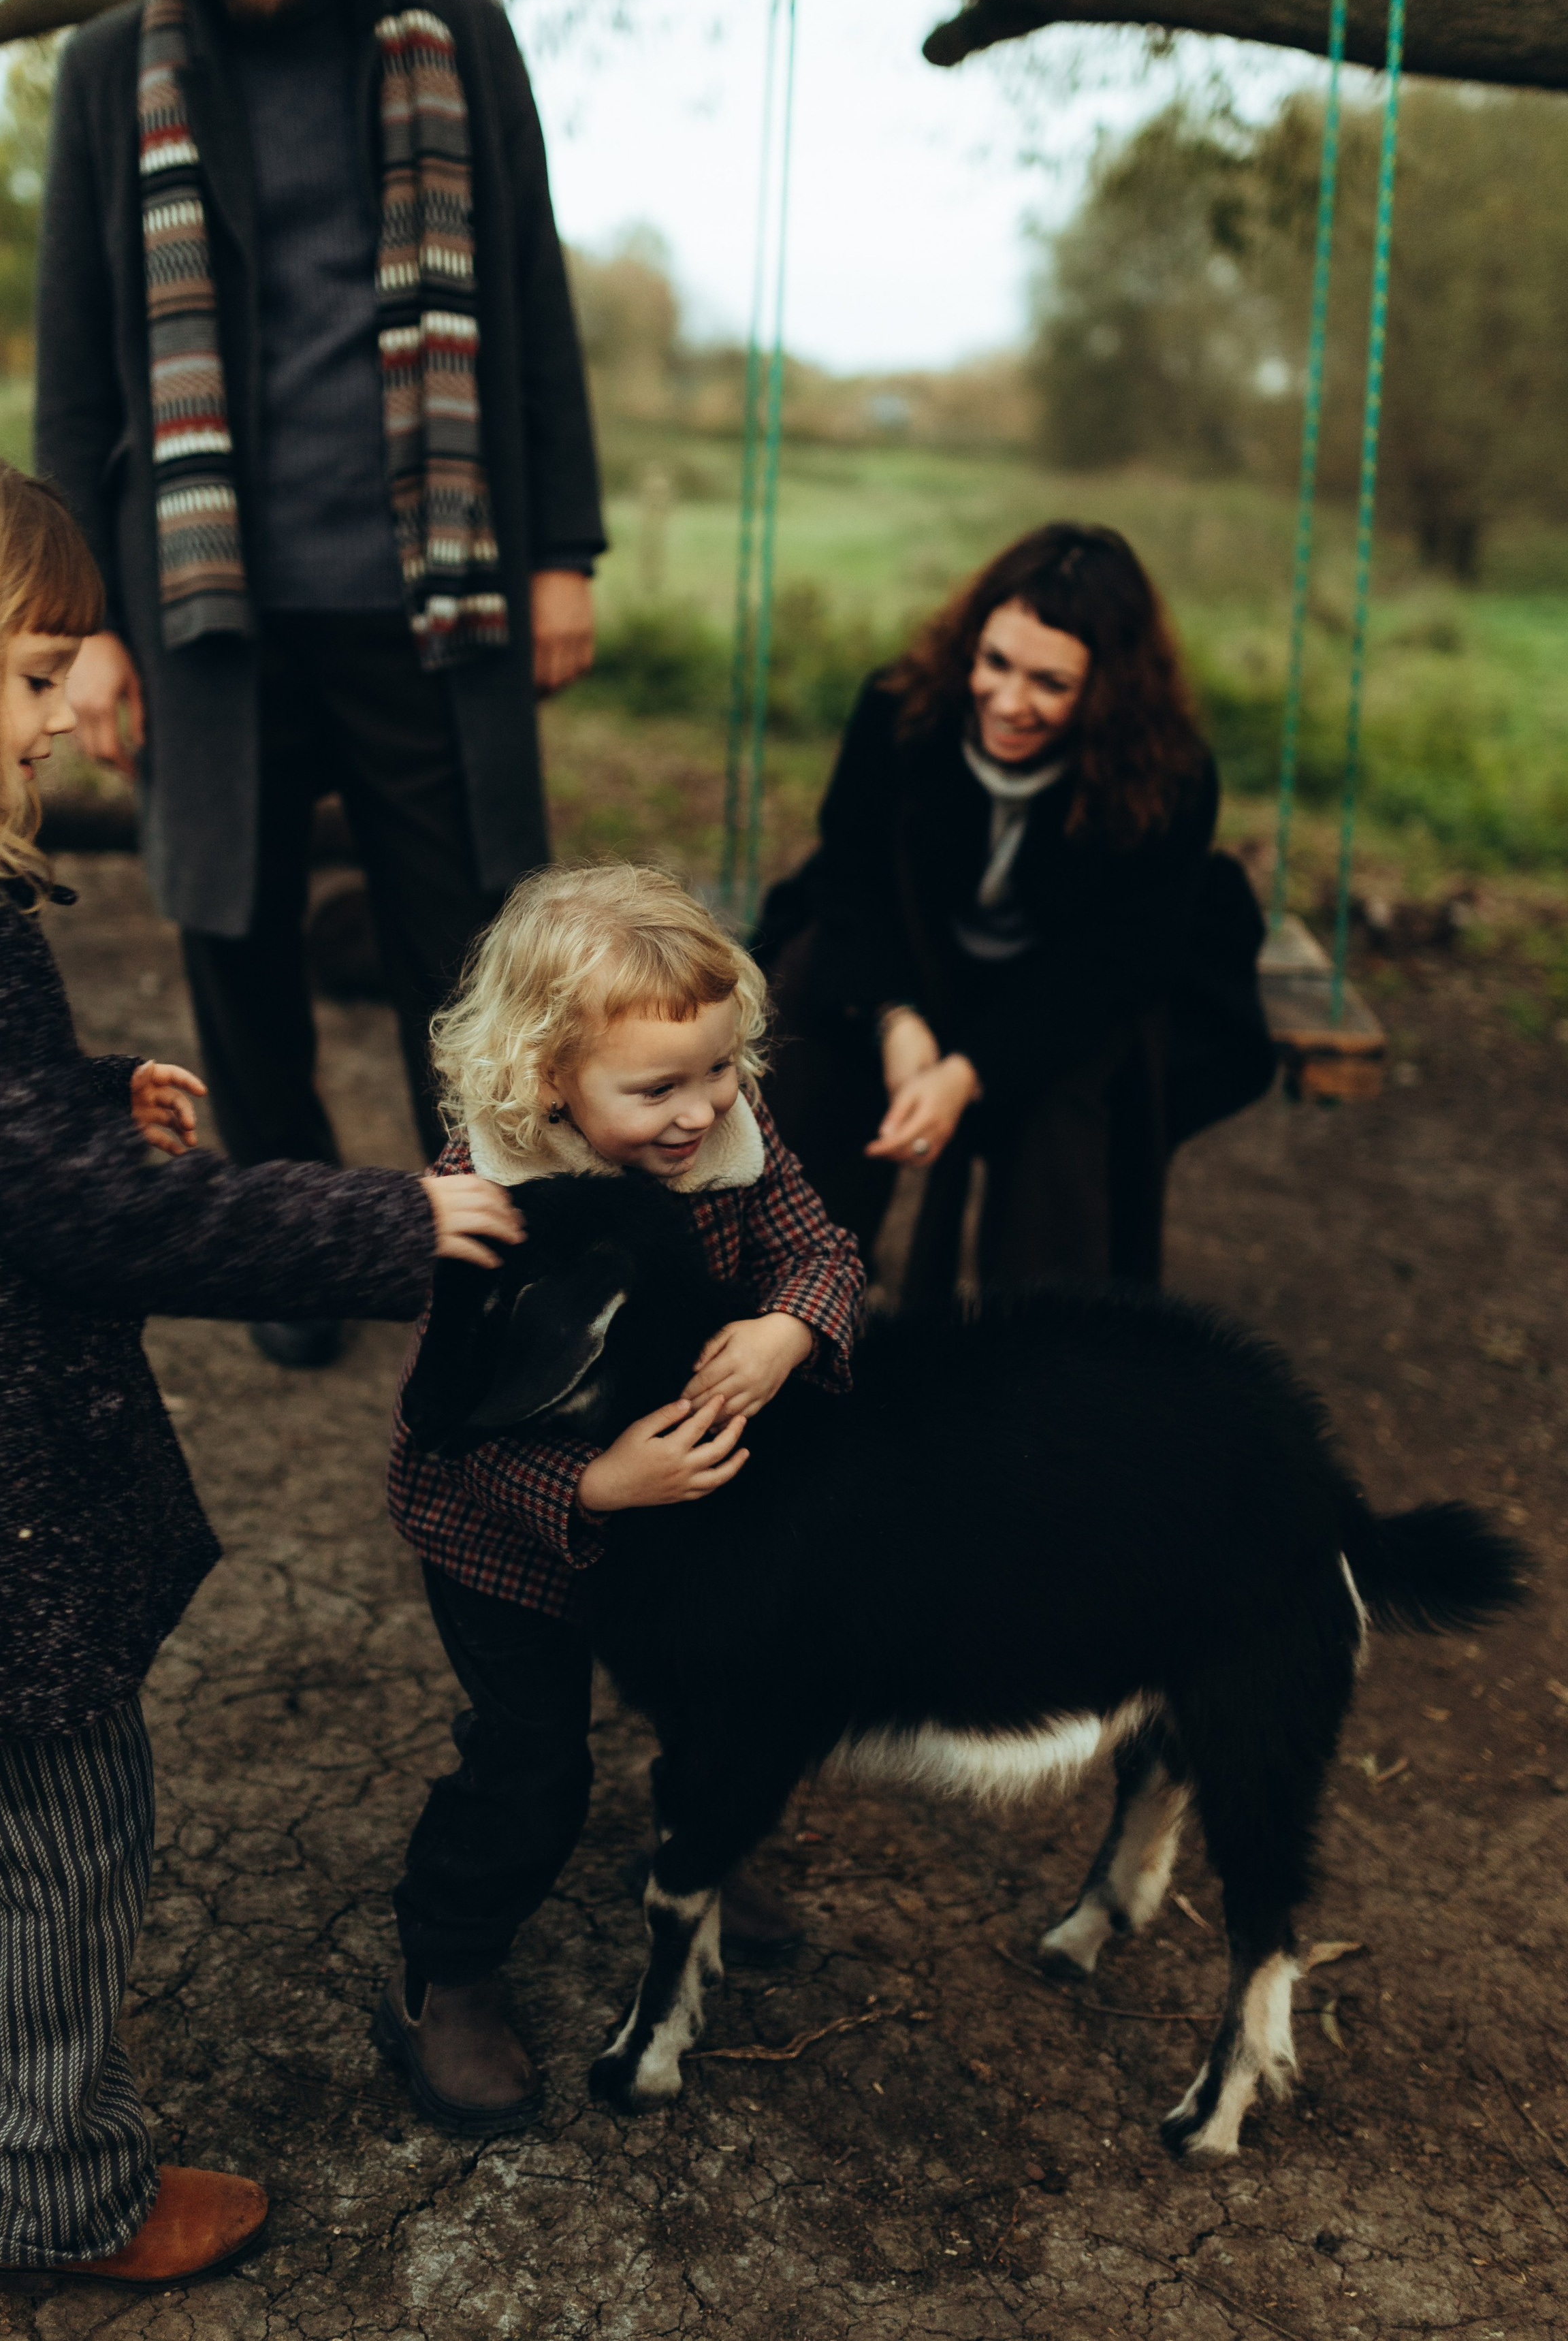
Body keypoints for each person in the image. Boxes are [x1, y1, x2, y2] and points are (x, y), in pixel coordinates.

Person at [0, 434, 524, 2284]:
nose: (66, 717)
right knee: (48, 1835)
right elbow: (93, 1225)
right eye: (36, 674)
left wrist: (67, 1096)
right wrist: (392, 1225)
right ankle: (59, 2191)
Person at [35, 0, 605, 1367]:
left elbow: (534, 303)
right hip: (204, 602)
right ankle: (294, 1250)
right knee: (233, 936)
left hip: (431, 589)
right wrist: (83, 622)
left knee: (479, 947)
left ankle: (504, 1252)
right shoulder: (104, 74)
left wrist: (560, 544)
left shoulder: (460, 38)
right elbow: (75, 378)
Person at [378, 865, 867, 2134]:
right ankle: (453, 1966)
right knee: (533, 1759)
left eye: (719, 1069)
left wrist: (786, 1334)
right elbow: (449, 1426)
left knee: (726, 1693)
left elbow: (823, 1251)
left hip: (691, 1520)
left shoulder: (732, 1136)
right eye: (657, 1088)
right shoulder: (484, 1204)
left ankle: (702, 1849)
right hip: (506, 1539)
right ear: (547, 1078)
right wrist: (591, 1483)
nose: (702, 1109)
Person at [757, 522, 1275, 1307]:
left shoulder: (1167, 777)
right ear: (971, 642)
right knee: (815, 1023)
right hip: (908, 961)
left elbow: (1114, 963)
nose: (1008, 701)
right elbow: (852, 875)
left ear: (1107, 689)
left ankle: (1044, 1348)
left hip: (1057, 984)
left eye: (1050, 684)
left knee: (1066, 1109)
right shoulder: (900, 710)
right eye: (995, 663)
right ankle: (783, 1295)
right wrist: (894, 1018)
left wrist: (968, 1072)